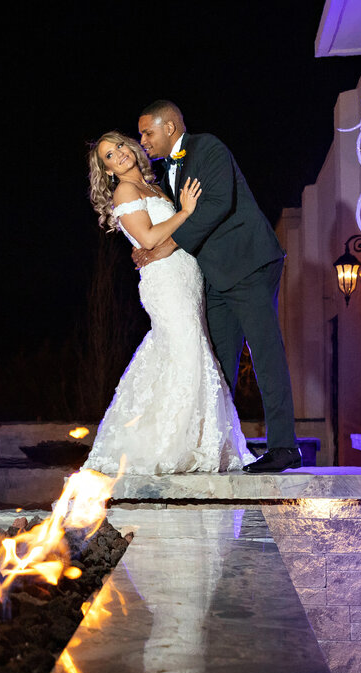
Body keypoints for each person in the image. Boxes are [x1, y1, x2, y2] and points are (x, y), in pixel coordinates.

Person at [134, 100, 300, 473]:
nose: (142, 139)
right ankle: (217, 448)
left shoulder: (207, 147)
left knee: (265, 353)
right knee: (217, 366)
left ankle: (285, 448)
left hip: (249, 263)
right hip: (217, 277)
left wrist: (164, 248)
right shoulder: (166, 174)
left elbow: (217, 204)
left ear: (171, 128)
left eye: (148, 132)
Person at [82, 132, 250, 477]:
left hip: (187, 276)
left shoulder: (156, 188)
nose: (119, 155)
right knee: (188, 350)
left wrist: (179, 222)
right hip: (164, 282)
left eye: (120, 147)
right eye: (109, 156)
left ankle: (192, 442)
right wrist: (186, 211)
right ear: (108, 170)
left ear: (131, 148)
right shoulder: (125, 191)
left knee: (184, 352)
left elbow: (165, 235)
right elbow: (147, 237)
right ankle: (172, 447)